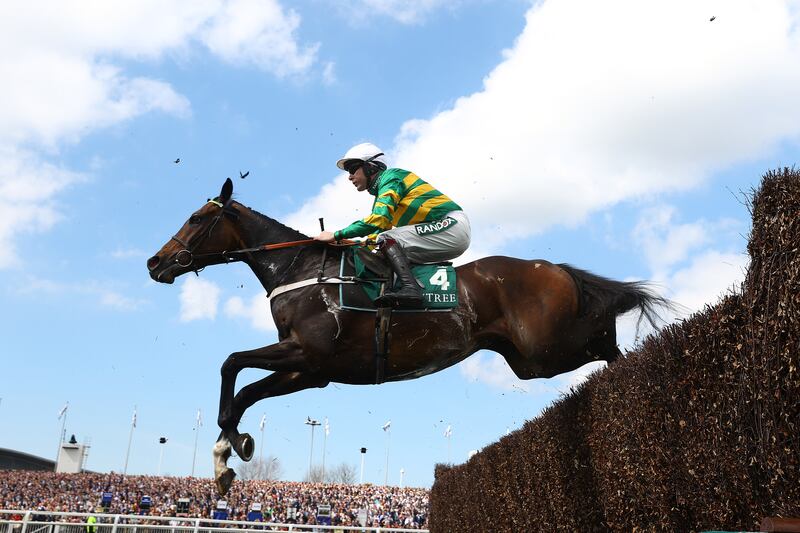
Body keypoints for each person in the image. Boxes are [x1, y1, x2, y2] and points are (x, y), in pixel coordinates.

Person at [314, 142, 470, 307]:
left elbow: (379, 220)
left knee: (386, 238)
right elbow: (375, 237)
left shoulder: (391, 177)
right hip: (442, 233)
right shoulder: (382, 195)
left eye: (353, 170)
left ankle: (411, 289)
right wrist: (349, 244)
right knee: (383, 251)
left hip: (451, 225)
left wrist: (337, 234)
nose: (349, 177)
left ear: (370, 167)